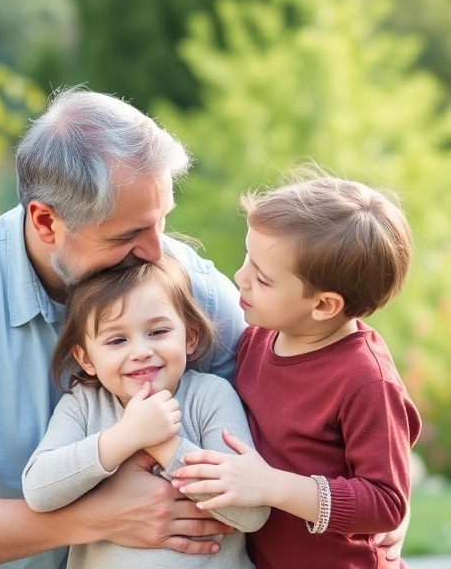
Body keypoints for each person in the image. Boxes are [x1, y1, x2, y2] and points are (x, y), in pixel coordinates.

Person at [0, 88, 407, 568]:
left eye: (161, 220)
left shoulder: (178, 279)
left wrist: (368, 514)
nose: (155, 250)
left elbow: (310, 355)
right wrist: (95, 519)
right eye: (127, 235)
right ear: (46, 222)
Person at [173, 172, 422, 569]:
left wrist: (272, 486)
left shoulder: (365, 380)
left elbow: (387, 502)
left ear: (323, 305)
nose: (241, 278)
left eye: (263, 278)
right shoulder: (257, 339)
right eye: (247, 259)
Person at [22, 255, 269, 568]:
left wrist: (164, 445)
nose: (140, 351)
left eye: (158, 332)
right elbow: (39, 491)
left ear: (189, 337)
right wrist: (126, 436)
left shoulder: (210, 396)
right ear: (86, 359)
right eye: (117, 339)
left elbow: (252, 514)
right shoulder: (83, 405)